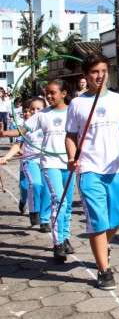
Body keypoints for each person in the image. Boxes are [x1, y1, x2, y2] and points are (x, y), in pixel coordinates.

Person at [65, 54, 119, 290]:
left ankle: (104, 246)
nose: (99, 75)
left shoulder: (117, 100)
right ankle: (104, 271)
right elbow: (71, 136)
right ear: (86, 75)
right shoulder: (77, 104)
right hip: (89, 169)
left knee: (116, 218)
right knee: (97, 220)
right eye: (95, 71)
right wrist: (71, 157)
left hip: (116, 168)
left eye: (103, 71)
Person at [25, 80, 74, 264]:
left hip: (70, 163)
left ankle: (66, 236)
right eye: (47, 93)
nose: (49, 96)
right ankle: (58, 243)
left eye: (53, 92)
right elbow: (24, 129)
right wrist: (5, 134)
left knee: (67, 204)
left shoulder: (73, 111)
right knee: (58, 201)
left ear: (64, 93)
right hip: (50, 163)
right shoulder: (42, 115)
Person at [0, 97, 49, 229]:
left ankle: (45, 220)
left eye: (39, 109)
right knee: (31, 185)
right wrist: (6, 157)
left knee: (47, 190)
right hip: (29, 161)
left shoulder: (49, 125)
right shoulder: (26, 127)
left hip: (47, 162)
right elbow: (17, 145)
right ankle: (31, 208)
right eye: (32, 109)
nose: (34, 112)